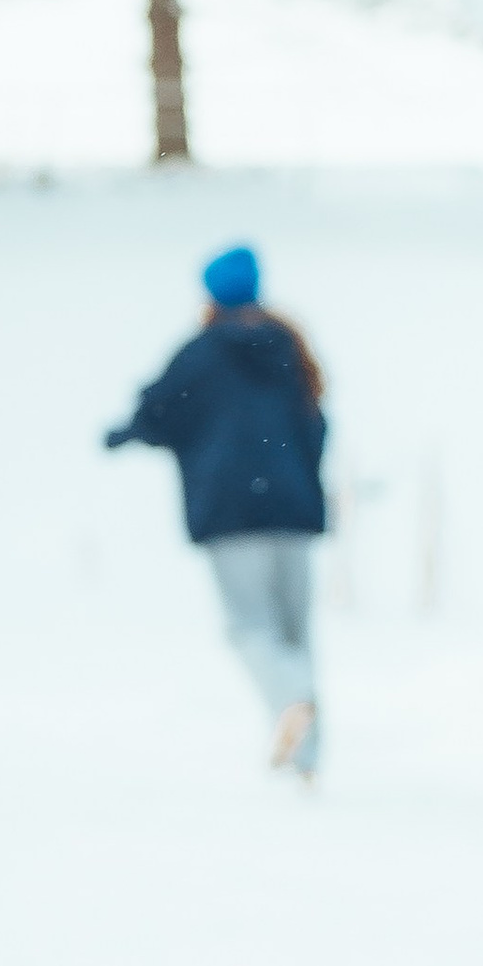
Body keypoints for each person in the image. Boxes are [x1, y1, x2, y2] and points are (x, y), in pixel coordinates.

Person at [104, 245, 329, 777]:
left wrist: (124, 434)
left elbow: (157, 412)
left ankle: (289, 705)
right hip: (293, 510)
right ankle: (309, 755)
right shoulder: (288, 347)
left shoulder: (200, 354)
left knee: (250, 625)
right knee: (295, 632)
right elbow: (316, 426)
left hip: (230, 513)